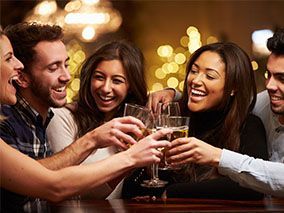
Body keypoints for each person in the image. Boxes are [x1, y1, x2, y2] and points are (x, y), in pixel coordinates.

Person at [0, 27, 172, 212]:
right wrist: (107, 146)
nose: (67, 77)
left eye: (66, 65)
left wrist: (171, 92)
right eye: (9, 58)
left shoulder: (40, 118)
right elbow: (54, 186)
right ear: (23, 78)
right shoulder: (10, 120)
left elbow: (44, 179)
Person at [141, 42, 268, 200]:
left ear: (234, 87)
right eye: (194, 71)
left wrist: (174, 193)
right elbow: (143, 183)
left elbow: (253, 187)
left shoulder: (248, 125)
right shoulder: (173, 119)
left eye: (210, 76)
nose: (195, 80)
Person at [165, 29, 284, 197]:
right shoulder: (265, 102)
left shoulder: (248, 125)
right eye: (268, 75)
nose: (270, 86)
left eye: (282, 78)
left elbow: (255, 187)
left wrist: (216, 156)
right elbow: (238, 100)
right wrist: (172, 94)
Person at [46, 40, 147, 198]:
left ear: (131, 87)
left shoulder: (134, 123)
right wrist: (127, 161)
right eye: (99, 77)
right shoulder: (63, 116)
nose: (106, 88)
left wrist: (170, 92)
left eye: (117, 81)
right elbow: (68, 193)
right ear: (89, 78)